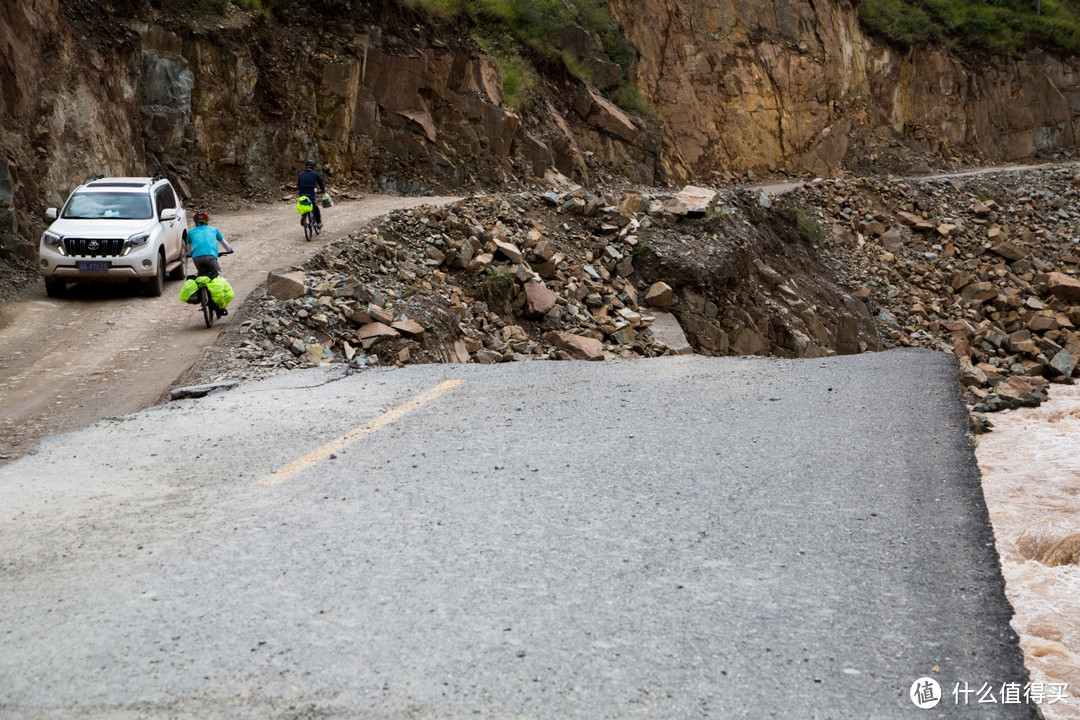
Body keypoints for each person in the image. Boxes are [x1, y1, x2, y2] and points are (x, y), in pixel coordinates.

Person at [186, 210, 235, 315]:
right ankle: (220, 306)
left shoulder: (190, 232)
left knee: (201, 275)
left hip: (197, 259)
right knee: (216, 277)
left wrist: (189, 254)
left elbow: (189, 249)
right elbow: (224, 243)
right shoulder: (214, 230)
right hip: (211, 258)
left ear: (195, 222)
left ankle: (202, 297)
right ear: (207, 221)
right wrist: (229, 250)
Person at [297, 159, 327, 230]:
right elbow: (321, 184)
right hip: (311, 194)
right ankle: (319, 222)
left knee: (304, 205)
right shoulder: (315, 175)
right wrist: (323, 190)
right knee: (315, 207)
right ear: (313, 167)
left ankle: (303, 216)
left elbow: (298, 185)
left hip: (302, 194)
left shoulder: (301, 174)